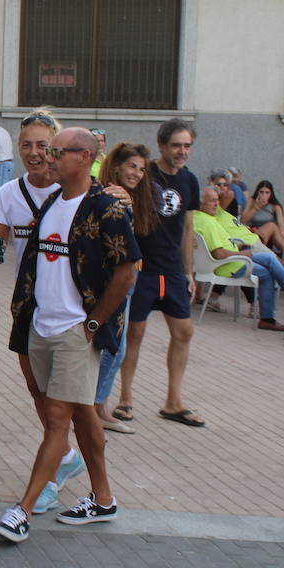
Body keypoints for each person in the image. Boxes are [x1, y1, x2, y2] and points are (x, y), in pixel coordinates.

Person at [0, 127, 140, 544]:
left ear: (85, 157)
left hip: (77, 330)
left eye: (57, 151)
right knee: (81, 414)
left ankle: (22, 510)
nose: (48, 157)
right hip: (39, 323)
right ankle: (104, 499)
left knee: (57, 419)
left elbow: (128, 270)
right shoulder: (54, 201)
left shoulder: (107, 208)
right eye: (45, 149)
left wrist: (93, 323)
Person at [0, 110, 87, 511]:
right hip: (27, 305)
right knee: (37, 390)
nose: (35, 153)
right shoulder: (10, 193)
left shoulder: (75, 191)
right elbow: (1, 240)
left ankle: (52, 474)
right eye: (27, 145)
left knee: (68, 403)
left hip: (71, 309)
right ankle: (63, 458)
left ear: (57, 148)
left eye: (43, 145)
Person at [120, 119, 204, 430]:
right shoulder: (145, 174)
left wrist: (188, 273)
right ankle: (125, 399)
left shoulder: (190, 181)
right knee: (135, 334)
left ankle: (173, 402)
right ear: (162, 145)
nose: (182, 151)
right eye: (176, 145)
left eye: (187, 146)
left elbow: (188, 229)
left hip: (171, 270)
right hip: (142, 267)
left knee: (184, 332)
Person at [93, 143, 156, 432]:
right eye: (132, 166)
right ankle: (94, 408)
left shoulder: (128, 198)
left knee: (114, 347)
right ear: (117, 166)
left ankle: (98, 406)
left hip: (126, 280)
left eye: (142, 169)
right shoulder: (110, 196)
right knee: (112, 347)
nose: (138, 173)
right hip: (113, 282)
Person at [192, 184, 284, 331]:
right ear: (201, 203)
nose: (217, 204)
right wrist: (242, 254)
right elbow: (218, 253)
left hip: (229, 260)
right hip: (230, 265)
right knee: (267, 269)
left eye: (217, 200)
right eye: (212, 201)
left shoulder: (198, 218)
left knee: (270, 260)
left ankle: (279, 306)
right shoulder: (207, 223)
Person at [241, 180, 284, 255]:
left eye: (267, 193)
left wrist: (281, 237)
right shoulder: (251, 201)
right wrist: (256, 207)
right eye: (261, 192)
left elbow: (281, 227)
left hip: (269, 236)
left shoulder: (275, 206)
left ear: (271, 194)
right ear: (257, 192)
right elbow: (243, 222)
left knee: (272, 226)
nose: (264, 195)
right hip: (252, 231)